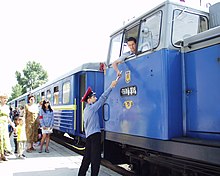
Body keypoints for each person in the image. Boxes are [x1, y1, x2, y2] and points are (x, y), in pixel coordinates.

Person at [78, 80, 118, 176]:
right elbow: (103, 98)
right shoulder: (92, 108)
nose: (95, 98)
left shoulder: (86, 109)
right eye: (93, 97)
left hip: (89, 137)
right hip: (95, 136)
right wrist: (111, 87)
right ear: (89, 100)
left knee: (87, 158)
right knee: (95, 159)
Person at [0, 93, 16, 161]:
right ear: (0, 99)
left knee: (5, 140)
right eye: (4, 98)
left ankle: (3, 154)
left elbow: (8, 117)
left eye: (6, 98)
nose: (5, 100)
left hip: (5, 125)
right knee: (0, 139)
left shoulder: (7, 107)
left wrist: (13, 125)